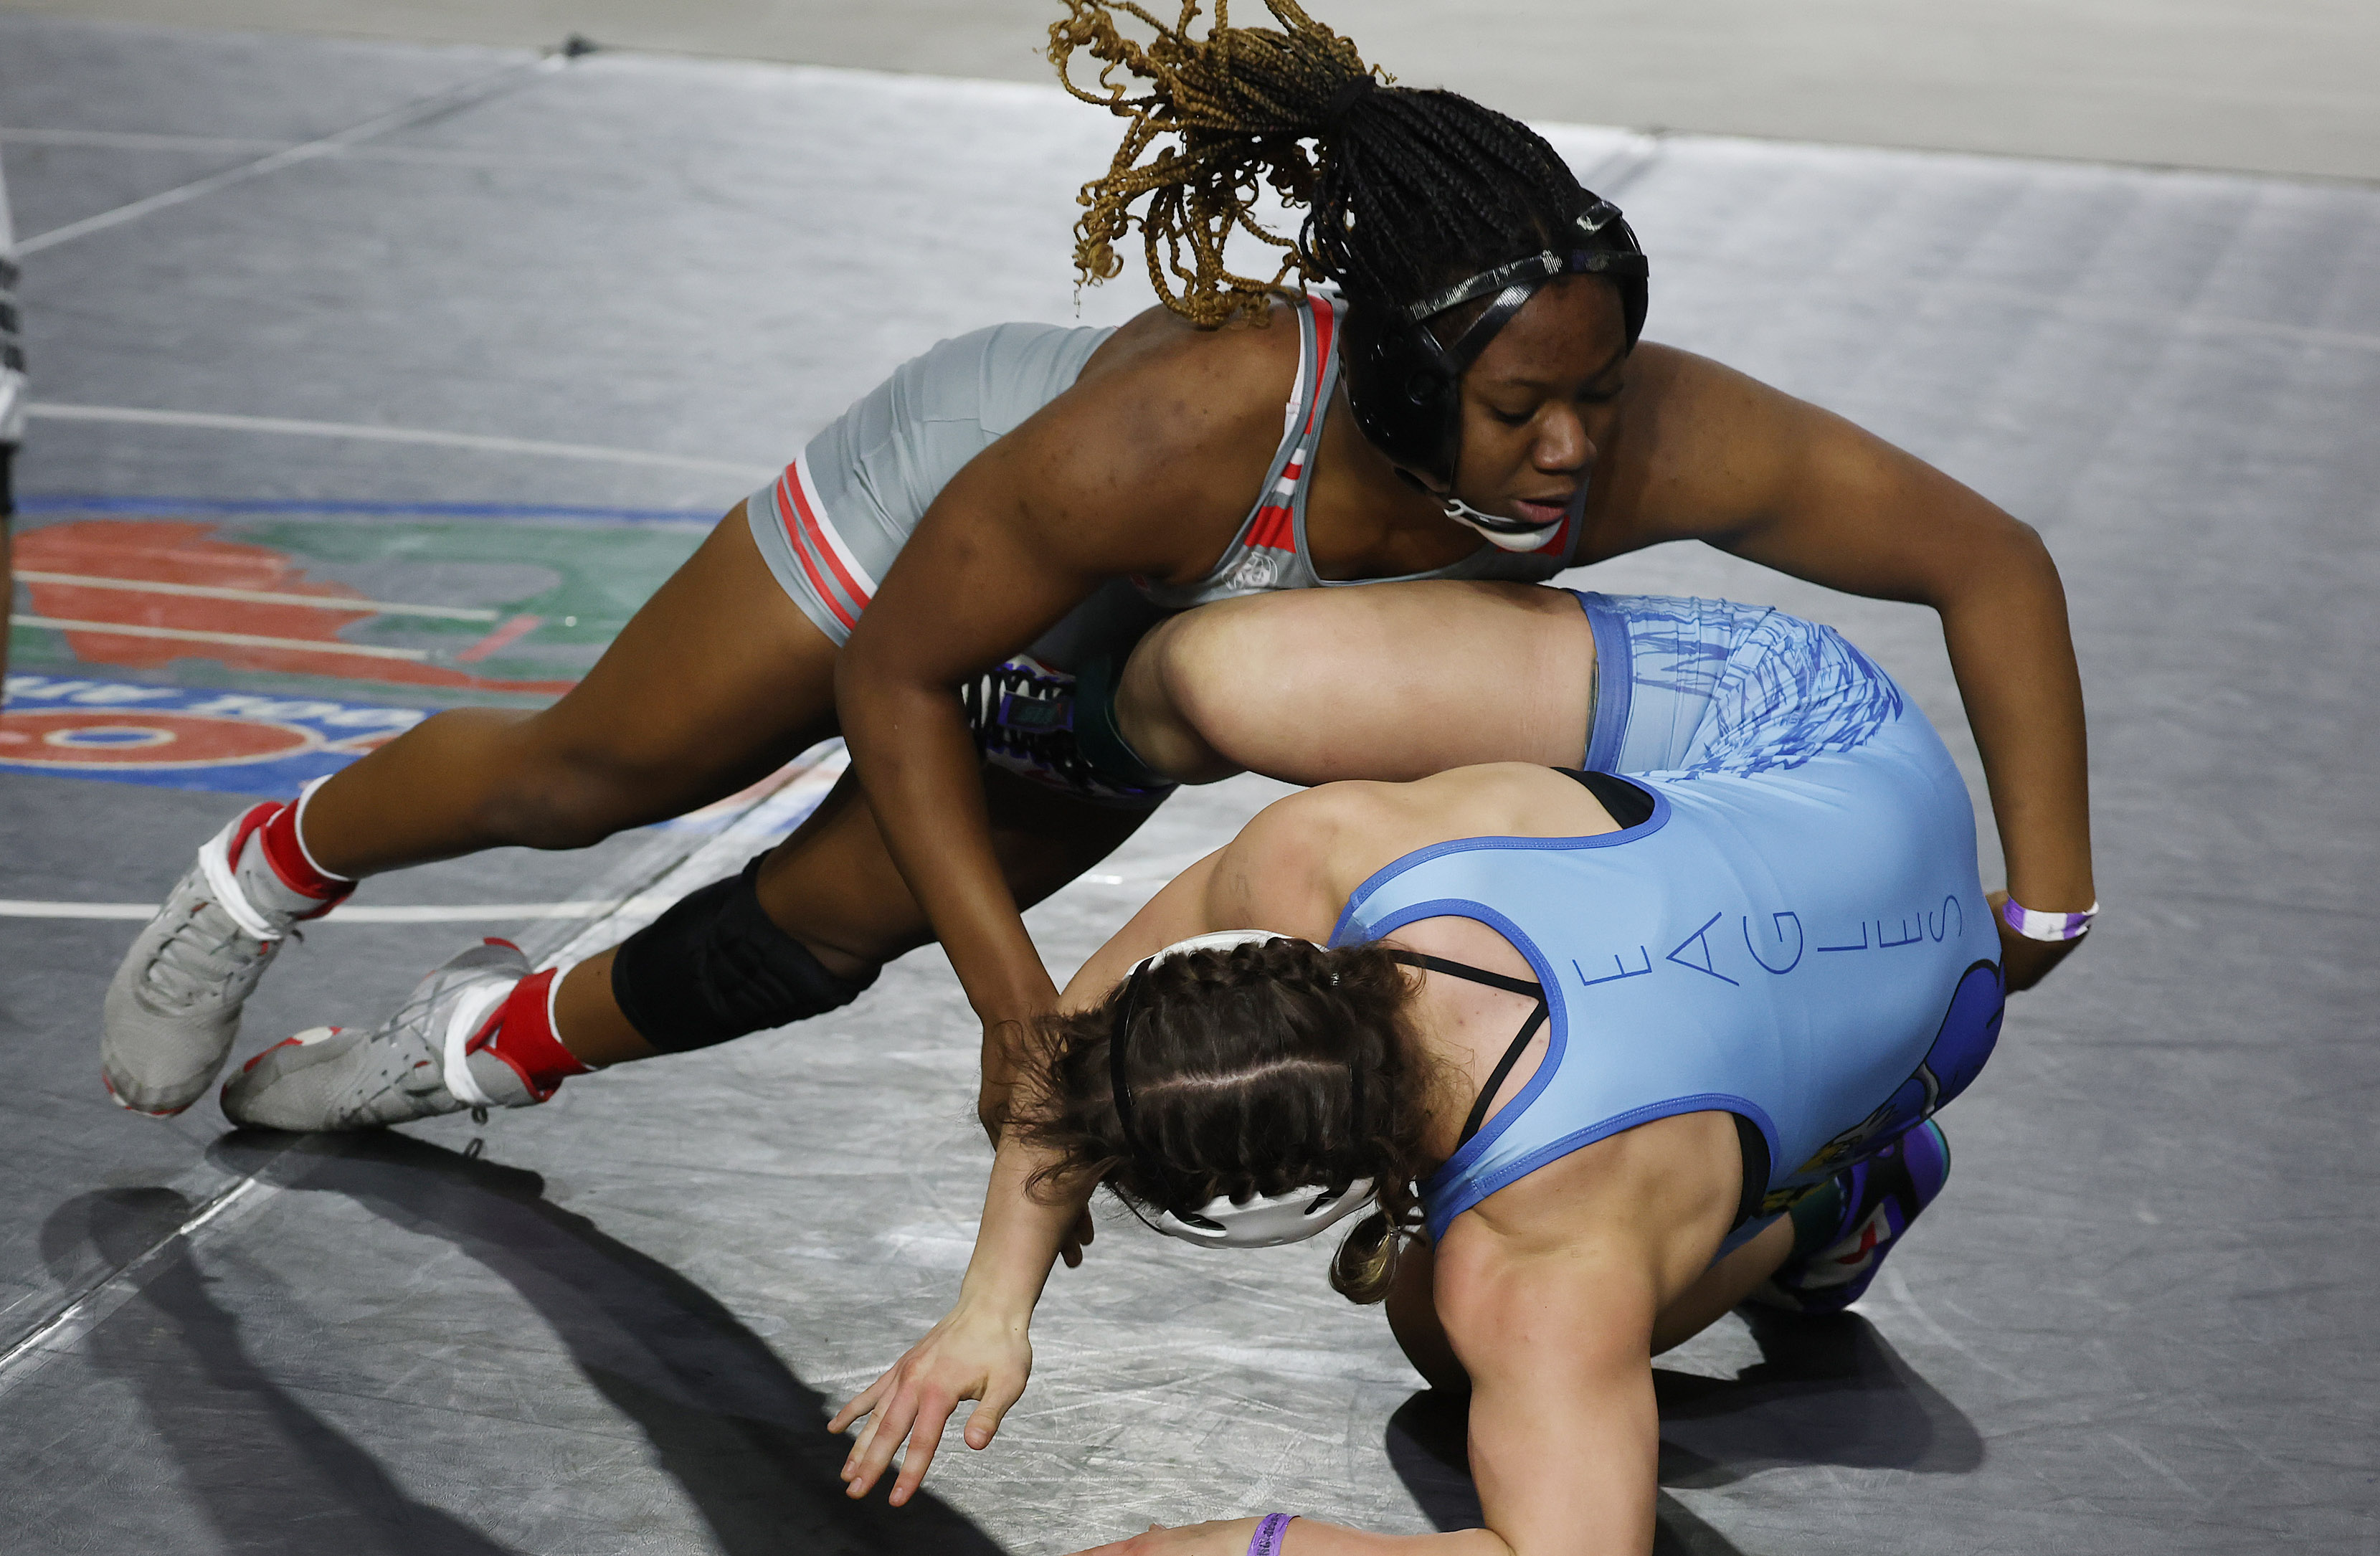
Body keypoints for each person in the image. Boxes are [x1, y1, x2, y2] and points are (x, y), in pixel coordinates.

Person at [108, 2, 2086, 1139]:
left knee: (817, 932)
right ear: (1399, 378)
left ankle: (468, 1048)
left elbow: (1985, 560)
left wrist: (2045, 907)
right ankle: (267, 867)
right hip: (968, 516)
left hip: (1172, 644)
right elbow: (893, 676)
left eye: (1596, 394)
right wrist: (1016, 1005)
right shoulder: (1177, 426)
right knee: (599, 781)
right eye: (1519, 412)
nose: (1574, 451)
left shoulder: (1643, 420)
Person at [833, 590, 2009, 1555]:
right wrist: (990, 1305)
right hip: (1839, 738)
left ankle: (1827, 1197)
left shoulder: (1539, 1259)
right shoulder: (1330, 856)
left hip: (1919, 1015)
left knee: (1449, 1329)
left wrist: (1241, 1548)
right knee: (1466, 1330)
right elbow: (1072, 1036)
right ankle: (1817, 1196)